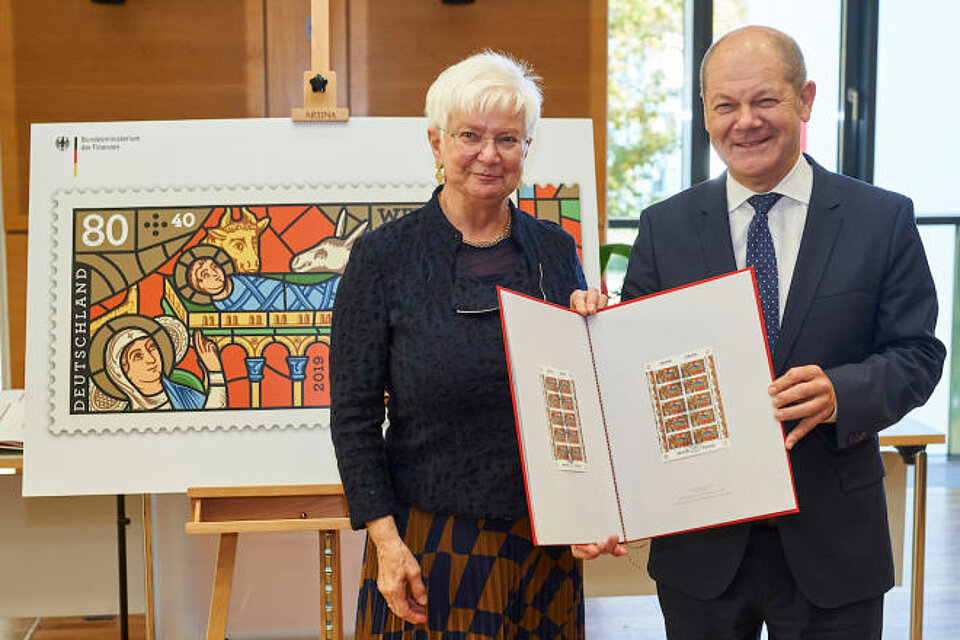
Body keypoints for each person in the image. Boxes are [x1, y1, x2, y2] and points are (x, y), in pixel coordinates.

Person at [573, 25, 945, 639]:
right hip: (701, 549)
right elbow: (631, 378)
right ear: (706, 114)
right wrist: (596, 335)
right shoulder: (664, 229)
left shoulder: (882, 219)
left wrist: (840, 393)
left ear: (805, 100)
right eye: (726, 105)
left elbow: (918, 354)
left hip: (836, 544)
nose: (745, 121)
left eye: (765, 100)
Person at [330, 51, 618, 639]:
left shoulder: (556, 250)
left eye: (508, 139)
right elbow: (354, 418)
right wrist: (385, 543)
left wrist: (596, 334)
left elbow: (580, 399)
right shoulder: (383, 258)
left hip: (545, 541)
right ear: (436, 144)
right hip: (430, 546)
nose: (490, 155)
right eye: (470, 136)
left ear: (526, 150)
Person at [91, 314, 227, 411]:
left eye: (152, 347)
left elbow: (211, 419)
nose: (151, 359)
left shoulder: (186, 396)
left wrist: (215, 373)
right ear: (121, 373)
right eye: (137, 356)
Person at [175, 245, 340, 311]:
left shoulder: (241, 279)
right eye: (205, 274)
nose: (215, 273)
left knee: (336, 288)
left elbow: (281, 288)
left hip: (303, 296)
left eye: (214, 266)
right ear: (199, 287)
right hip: (295, 307)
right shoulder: (224, 307)